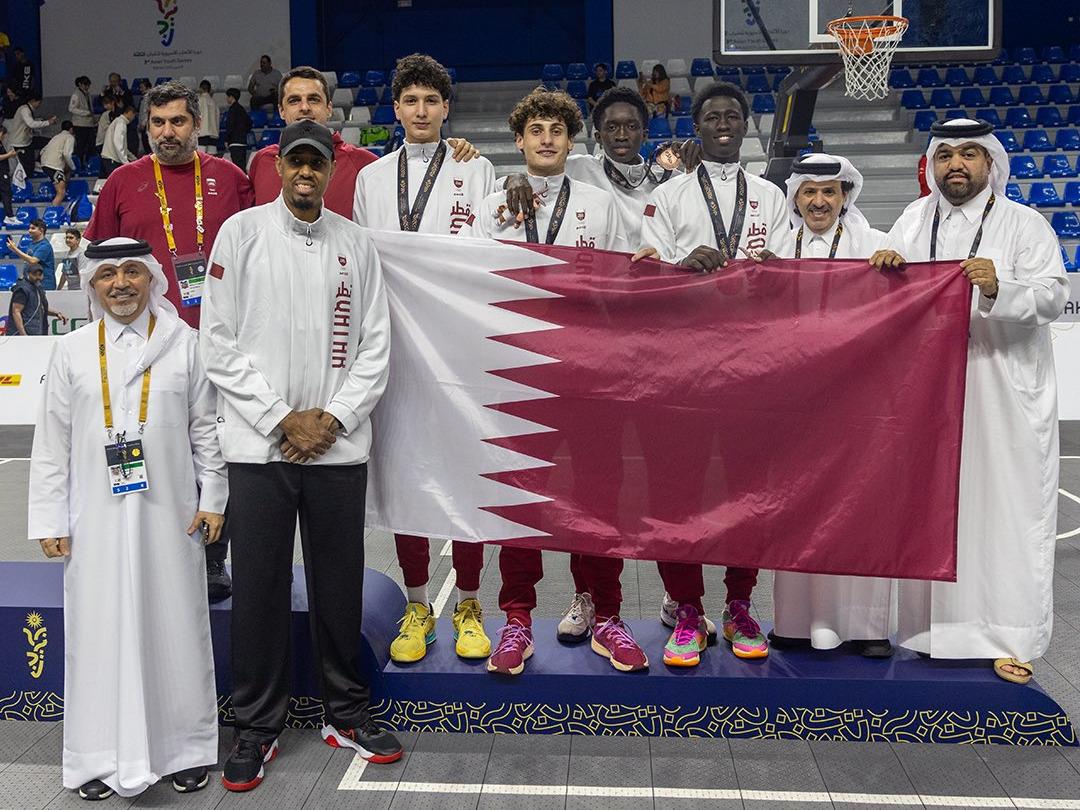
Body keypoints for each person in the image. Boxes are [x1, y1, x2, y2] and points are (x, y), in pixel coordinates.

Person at [201, 120, 401, 791]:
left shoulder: (356, 243)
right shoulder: (241, 234)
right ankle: (256, 724)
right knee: (257, 586)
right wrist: (281, 417)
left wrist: (334, 418)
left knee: (338, 581)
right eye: (296, 163)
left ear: (332, 169)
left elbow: (376, 346)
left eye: (318, 163)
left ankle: (345, 711)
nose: (307, 173)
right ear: (279, 167)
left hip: (337, 447)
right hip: (260, 445)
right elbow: (219, 343)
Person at [869, 118, 1070, 684]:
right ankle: (931, 633)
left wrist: (997, 286)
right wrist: (884, 270)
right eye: (946, 156)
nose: (956, 165)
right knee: (935, 507)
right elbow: (891, 293)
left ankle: (1012, 636)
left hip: (1001, 389)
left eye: (969, 156)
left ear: (991, 164)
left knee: (1005, 511)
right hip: (929, 392)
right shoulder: (911, 220)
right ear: (932, 164)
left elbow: (1054, 296)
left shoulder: (1024, 225)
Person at [28, 236, 226, 801]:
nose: (121, 284)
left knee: (175, 625)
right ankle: (96, 756)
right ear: (91, 285)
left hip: (172, 515)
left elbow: (206, 428)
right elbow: (52, 443)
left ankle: (183, 750)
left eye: (133, 272)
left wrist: (214, 496)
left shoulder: (184, 344)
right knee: (96, 631)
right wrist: (50, 517)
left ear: (152, 281)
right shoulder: (70, 350)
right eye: (109, 274)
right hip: (93, 517)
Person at [460, 88, 642, 676]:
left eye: (556, 131)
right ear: (518, 140)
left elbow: (628, 281)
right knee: (519, 499)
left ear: (571, 141)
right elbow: (463, 278)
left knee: (597, 496)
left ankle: (606, 613)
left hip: (590, 372)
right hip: (516, 374)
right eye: (535, 130)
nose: (545, 139)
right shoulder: (492, 206)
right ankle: (516, 620)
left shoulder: (600, 202)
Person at [636, 82, 793, 667]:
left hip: (752, 367)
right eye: (712, 117)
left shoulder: (772, 197)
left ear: (745, 125)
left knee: (747, 492)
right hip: (680, 369)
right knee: (676, 491)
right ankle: (686, 607)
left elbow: (784, 278)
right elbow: (647, 279)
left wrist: (774, 271)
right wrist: (682, 269)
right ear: (695, 128)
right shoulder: (668, 196)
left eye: (732, 115)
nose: (723, 123)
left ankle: (740, 604)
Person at [84, 80, 254, 600]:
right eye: (157, 123)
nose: (167, 132)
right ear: (145, 126)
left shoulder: (230, 179)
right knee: (152, 445)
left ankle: (212, 561)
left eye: (178, 121)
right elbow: (94, 260)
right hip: (146, 343)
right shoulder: (122, 181)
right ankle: (143, 550)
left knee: (219, 451)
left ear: (196, 124)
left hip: (223, 338)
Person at [352, 53, 495, 663]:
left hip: (458, 346)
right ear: (396, 110)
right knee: (407, 476)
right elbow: (360, 263)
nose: (420, 111)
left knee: (466, 474)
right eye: (410, 101)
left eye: (431, 101)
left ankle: (467, 601)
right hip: (394, 346)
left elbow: (487, 255)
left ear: (445, 108)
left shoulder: (476, 166)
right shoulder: (372, 179)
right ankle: (416, 603)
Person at [769, 153, 893, 658]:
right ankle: (796, 621)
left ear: (845, 196)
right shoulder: (775, 246)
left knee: (860, 505)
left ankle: (867, 628)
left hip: (858, 397)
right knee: (796, 506)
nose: (819, 201)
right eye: (808, 192)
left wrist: (895, 271)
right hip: (793, 398)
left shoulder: (876, 243)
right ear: (796, 198)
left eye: (829, 192)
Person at [250, 66, 477, 218]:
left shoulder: (365, 165)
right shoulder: (261, 162)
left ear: (329, 108)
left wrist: (450, 150)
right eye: (294, 100)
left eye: (314, 99)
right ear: (281, 110)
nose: (305, 107)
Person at [7, 261, 65, 335]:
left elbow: (40, 308)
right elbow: (16, 311)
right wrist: (23, 335)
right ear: (28, 274)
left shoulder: (38, 288)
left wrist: (57, 313)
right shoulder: (22, 290)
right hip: (23, 333)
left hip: (36, 331)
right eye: (34, 274)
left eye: (40, 275)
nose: (37, 277)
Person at [9, 93, 56, 180]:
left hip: (28, 140)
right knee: (28, 167)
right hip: (20, 143)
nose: (39, 104)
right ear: (33, 101)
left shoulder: (28, 109)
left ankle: (39, 161)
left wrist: (43, 121)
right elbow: (31, 123)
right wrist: (48, 122)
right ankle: (24, 184)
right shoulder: (24, 110)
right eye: (39, 102)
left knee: (50, 142)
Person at [9, 218, 56, 290]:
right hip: (32, 284)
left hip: (44, 285)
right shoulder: (31, 244)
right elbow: (27, 262)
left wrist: (15, 249)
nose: (29, 231)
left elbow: (33, 261)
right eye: (29, 228)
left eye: (33, 228)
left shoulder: (45, 246)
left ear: (41, 230)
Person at [40, 120, 76, 205]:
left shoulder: (56, 137)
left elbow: (42, 151)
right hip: (54, 166)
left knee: (61, 188)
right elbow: (67, 154)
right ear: (71, 129)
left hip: (44, 164)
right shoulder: (70, 137)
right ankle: (52, 213)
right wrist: (73, 167)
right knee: (61, 193)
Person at [100, 104, 136, 176]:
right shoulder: (121, 123)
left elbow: (123, 146)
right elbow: (118, 144)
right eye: (134, 115)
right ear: (130, 113)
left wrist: (133, 158)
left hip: (108, 159)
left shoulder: (118, 121)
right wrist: (126, 162)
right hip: (111, 160)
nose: (134, 118)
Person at [68, 76, 96, 166]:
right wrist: (85, 113)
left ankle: (88, 163)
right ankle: (80, 164)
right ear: (80, 84)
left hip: (89, 123)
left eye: (88, 85)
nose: (87, 87)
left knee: (91, 144)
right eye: (85, 85)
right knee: (81, 146)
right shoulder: (76, 95)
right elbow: (71, 108)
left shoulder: (87, 93)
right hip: (80, 124)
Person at [222, 88, 251, 168]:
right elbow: (249, 123)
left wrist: (227, 139)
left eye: (227, 97)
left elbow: (230, 125)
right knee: (242, 166)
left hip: (234, 142)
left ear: (231, 97)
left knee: (237, 167)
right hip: (242, 141)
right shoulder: (242, 109)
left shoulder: (232, 110)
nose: (227, 99)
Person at [0, 124, 17, 226]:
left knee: (7, 193)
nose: (3, 136)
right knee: (6, 193)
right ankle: (10, 216)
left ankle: (9, 216)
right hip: (1, 173)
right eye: (2, 134)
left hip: (3, 171)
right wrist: (9, 155)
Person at [196, 80, 219, 150]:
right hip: (213, 134)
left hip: (202, 133)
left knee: (201, 158)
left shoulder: (199, 101)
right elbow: (217, 118)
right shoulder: (214, 102)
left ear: (200, 88)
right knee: (211, 158)